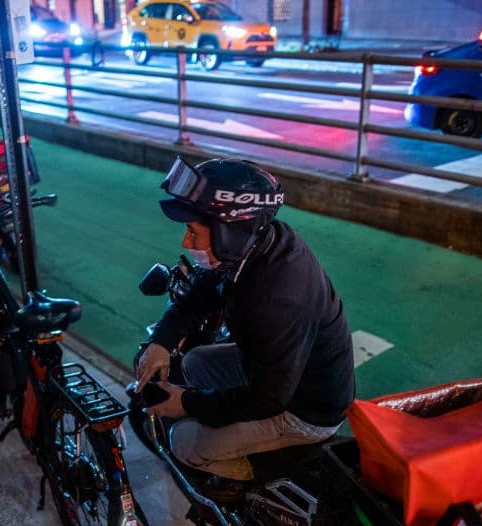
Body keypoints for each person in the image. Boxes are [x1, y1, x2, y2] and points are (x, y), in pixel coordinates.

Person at [134, 157, 356, 502]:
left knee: (184, 442)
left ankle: (256, 477)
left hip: (306, 410)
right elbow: (205, 289)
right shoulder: (259, 243)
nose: (185, 242)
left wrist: (187, 404)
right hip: (278, 371)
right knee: (195, 363)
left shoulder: (278, 296)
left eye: (193, 231)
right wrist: (161, 341)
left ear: (231, 231)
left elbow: (269, 398)